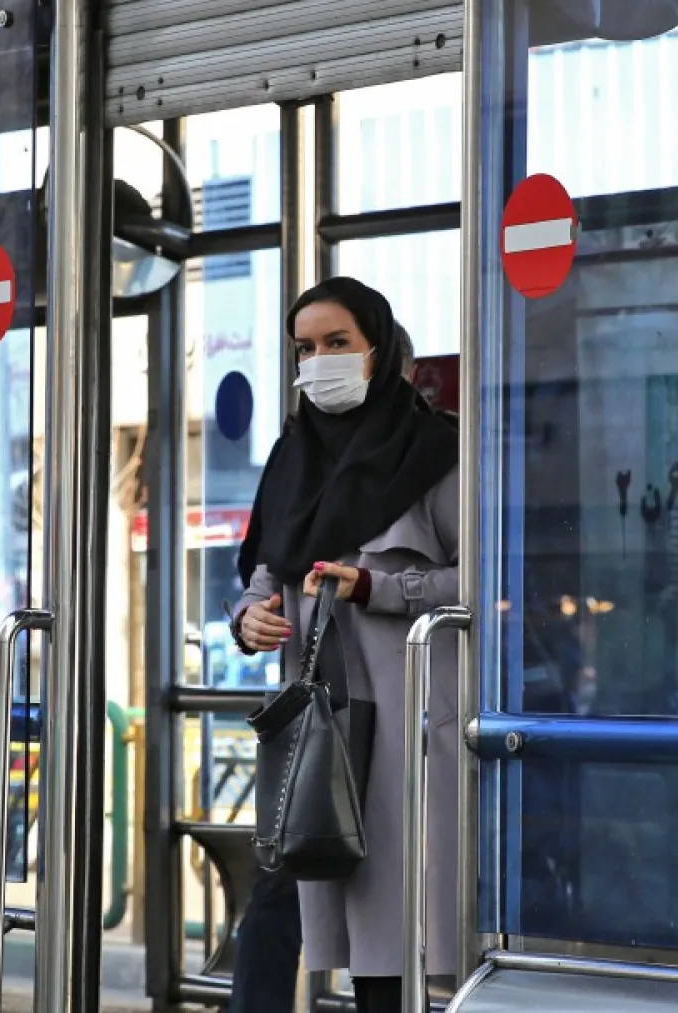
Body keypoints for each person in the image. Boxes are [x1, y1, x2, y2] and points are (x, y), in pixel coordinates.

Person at [231, 277, 459, 1013]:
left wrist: (379, 588)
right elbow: (265, 572)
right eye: (305, 347)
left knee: (382, 919)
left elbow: (482, 582)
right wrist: (248, 619)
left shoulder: (436, 451)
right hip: (315, 717)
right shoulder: (293, 454)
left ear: (379, 348)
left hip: (401, 721)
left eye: (337, 343)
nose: (318, 360)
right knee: (278, 893)